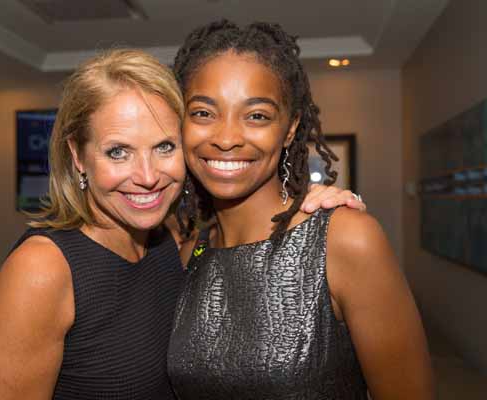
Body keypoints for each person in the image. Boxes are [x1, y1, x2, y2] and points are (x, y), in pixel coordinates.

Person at [0, 49, 364, 400]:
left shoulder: (174, 242)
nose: (146, 176)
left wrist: (311, 203)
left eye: (163, 147)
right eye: (118, 151)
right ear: (77, 155)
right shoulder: (42, 269)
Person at [167, 20, 434, 399]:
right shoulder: (187, 251)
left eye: (256, 115)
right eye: (203, 113)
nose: (226, 138)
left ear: (290, 129)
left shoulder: (344, 240)